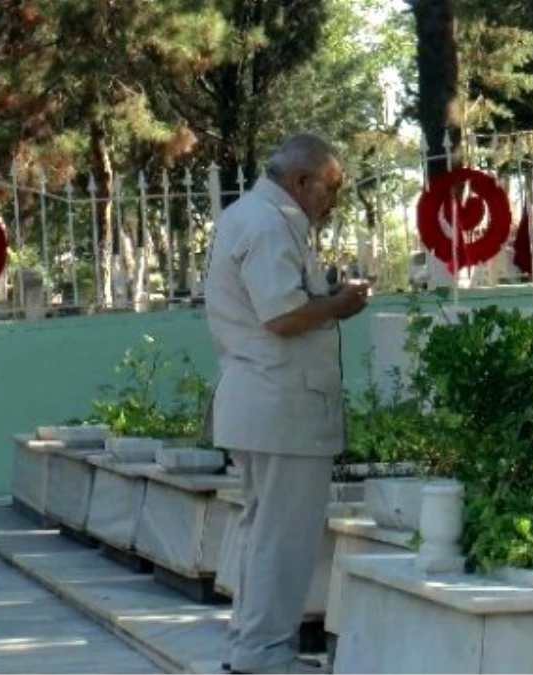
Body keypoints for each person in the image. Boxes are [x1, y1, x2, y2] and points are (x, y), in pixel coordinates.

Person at [203, 133, 367, 675]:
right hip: (281, 403)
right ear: (300, 182)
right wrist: (338, 305)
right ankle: (266, 656)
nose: (334, 200)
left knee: (266, 534)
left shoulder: (249, 216)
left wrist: (326, 300)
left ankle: (252, 648)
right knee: (285, 539)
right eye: (331, 187)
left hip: (264, 401)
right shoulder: (269, 223)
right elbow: (280, 315)